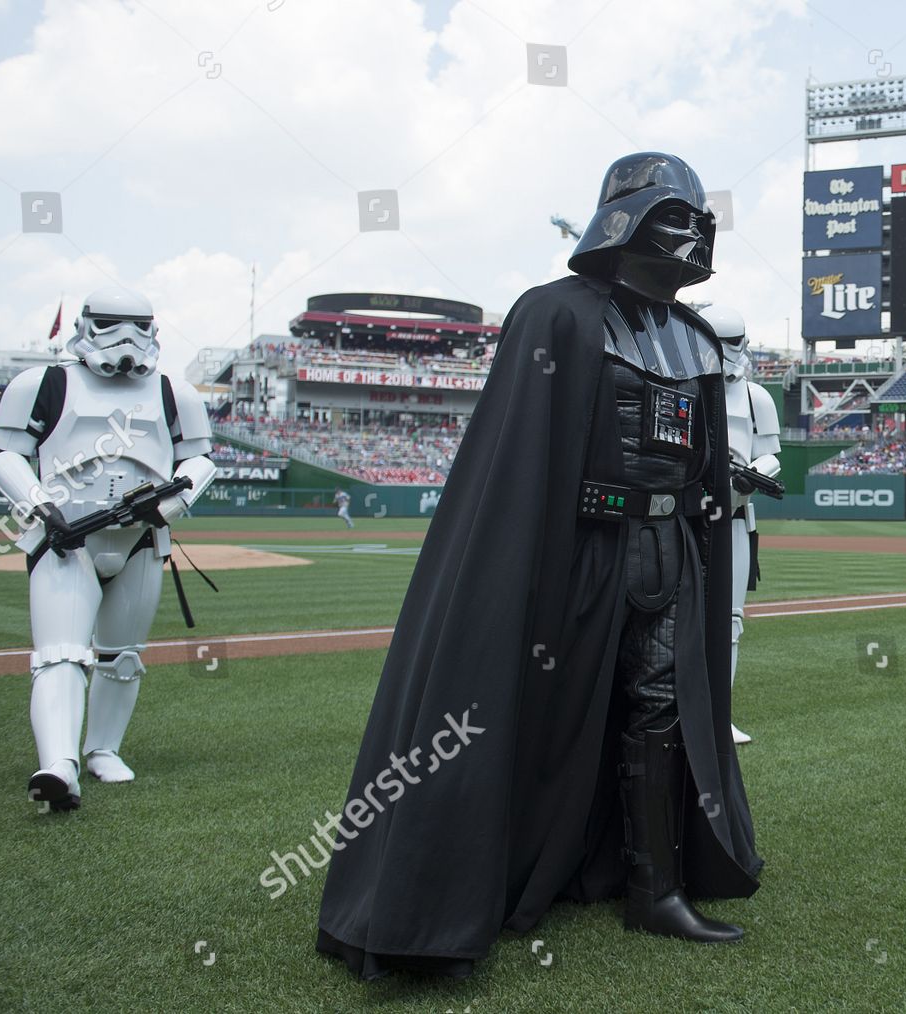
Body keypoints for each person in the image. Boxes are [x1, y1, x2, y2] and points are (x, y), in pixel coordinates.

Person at [317, 152, 761, 980]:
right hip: (579, 551)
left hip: (669, 549)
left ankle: (653, 886)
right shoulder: (555, 315)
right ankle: (479, 882)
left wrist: (707, 519)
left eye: (699, 220)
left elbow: (698, 462)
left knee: (660, 709)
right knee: (536, 702)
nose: (692, 233)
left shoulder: (697, 338)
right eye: (675, 214)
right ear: (623, 219)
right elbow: (518, 459)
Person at [0, 287, 216, 810]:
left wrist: (168, 505)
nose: (126, 339)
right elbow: (6, 456)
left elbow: (199, 460)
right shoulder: (42, 383)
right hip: (66, 539)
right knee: (60, 654)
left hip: (140, 540)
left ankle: (103, 749)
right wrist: (43, 506)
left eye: (138, 325)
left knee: (123, 657)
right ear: (87, 324)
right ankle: (59, 762)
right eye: (112, 323)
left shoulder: (173, 393)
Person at [699, 305, 781, 745]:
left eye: (732, 342)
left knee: (729, 621)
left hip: (734, 518)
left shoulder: (755, 397)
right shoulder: (687, 389)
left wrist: (751, 471)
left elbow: (771, 452)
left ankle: (718, 714)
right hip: (689, 518)